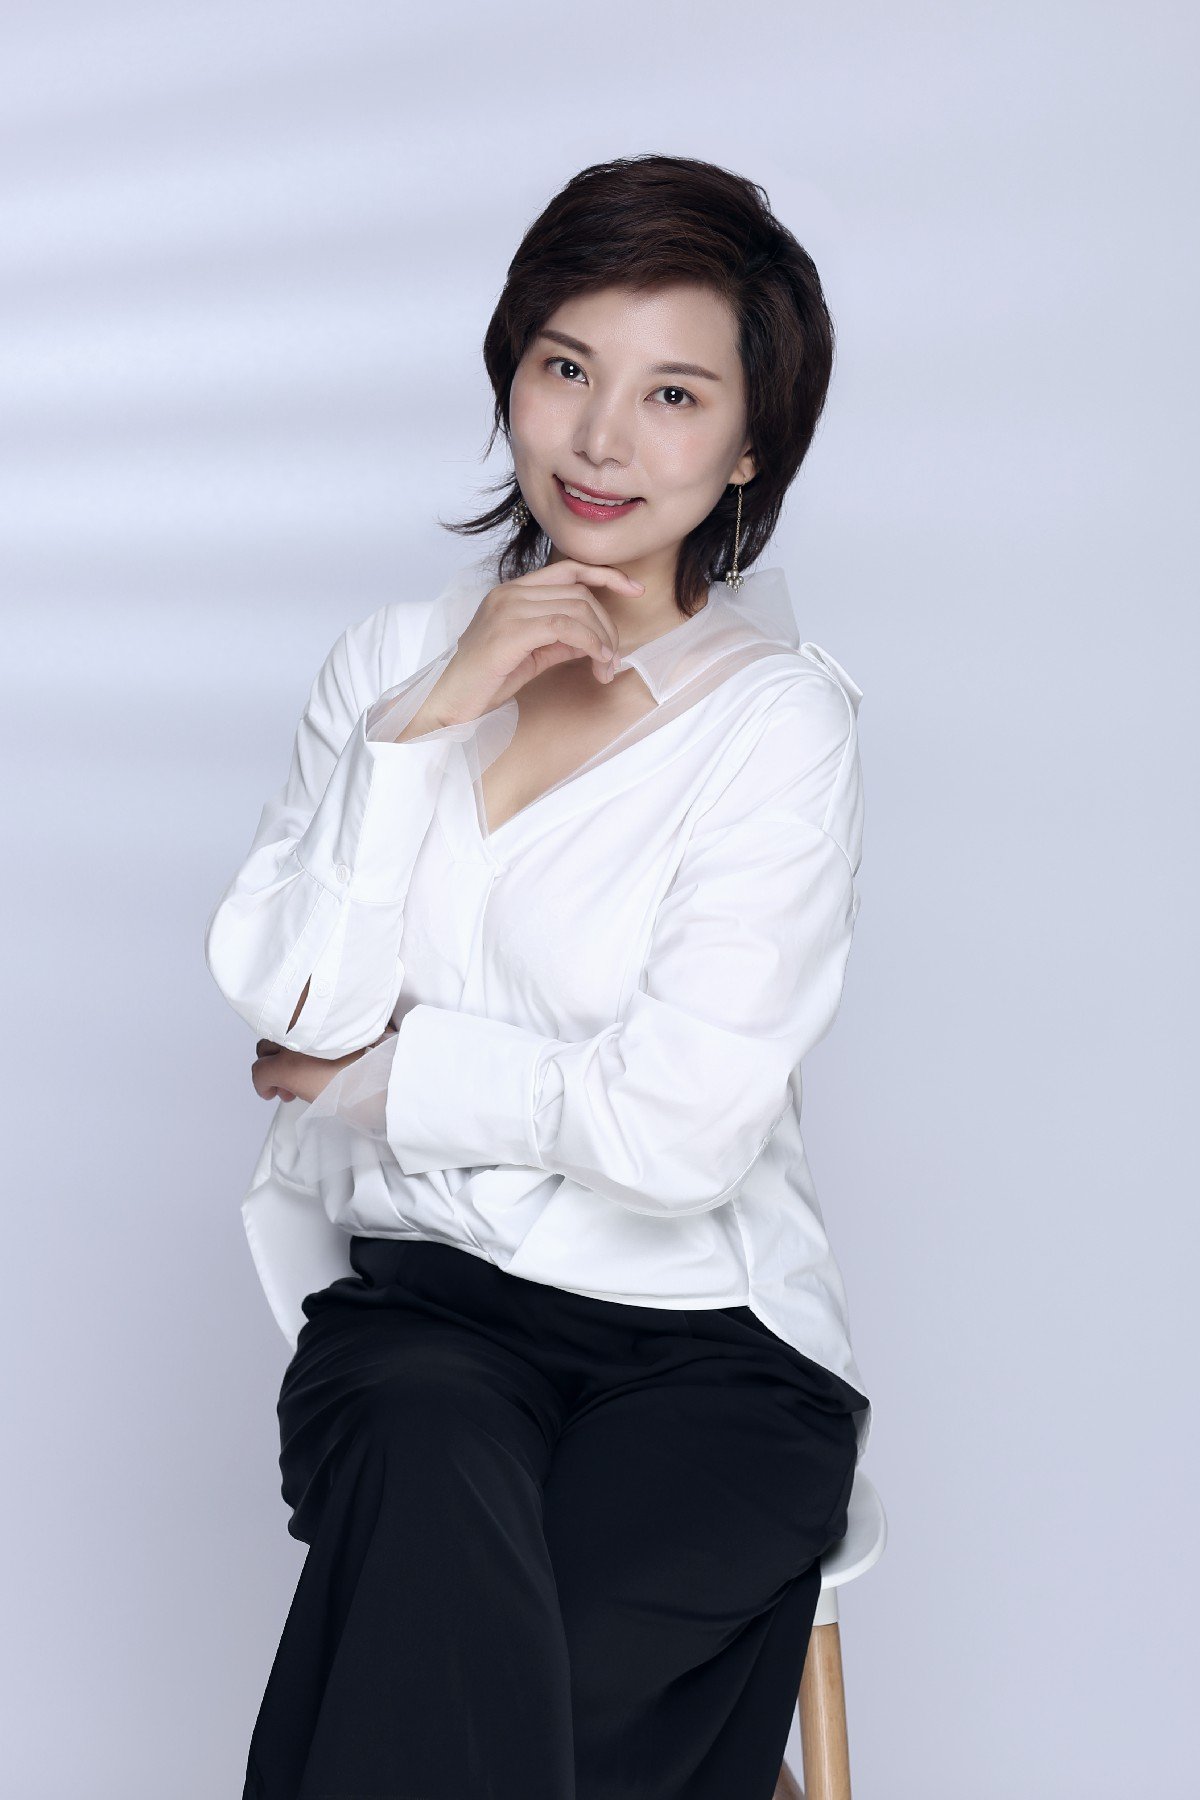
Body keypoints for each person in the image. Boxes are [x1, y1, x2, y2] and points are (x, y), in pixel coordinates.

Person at [205, 152, 874, 1800]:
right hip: (426, 1313)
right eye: (568, 366)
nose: (601, 438)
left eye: (673, 395)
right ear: (512, 369)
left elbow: (680, 1130)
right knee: (435, 1532)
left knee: (460, 1685)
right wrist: (430, 719)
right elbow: (290, 1003)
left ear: (749, 446)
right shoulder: (388, 665)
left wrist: (382, 1079)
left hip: (712, 1344)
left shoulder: (779, 724)